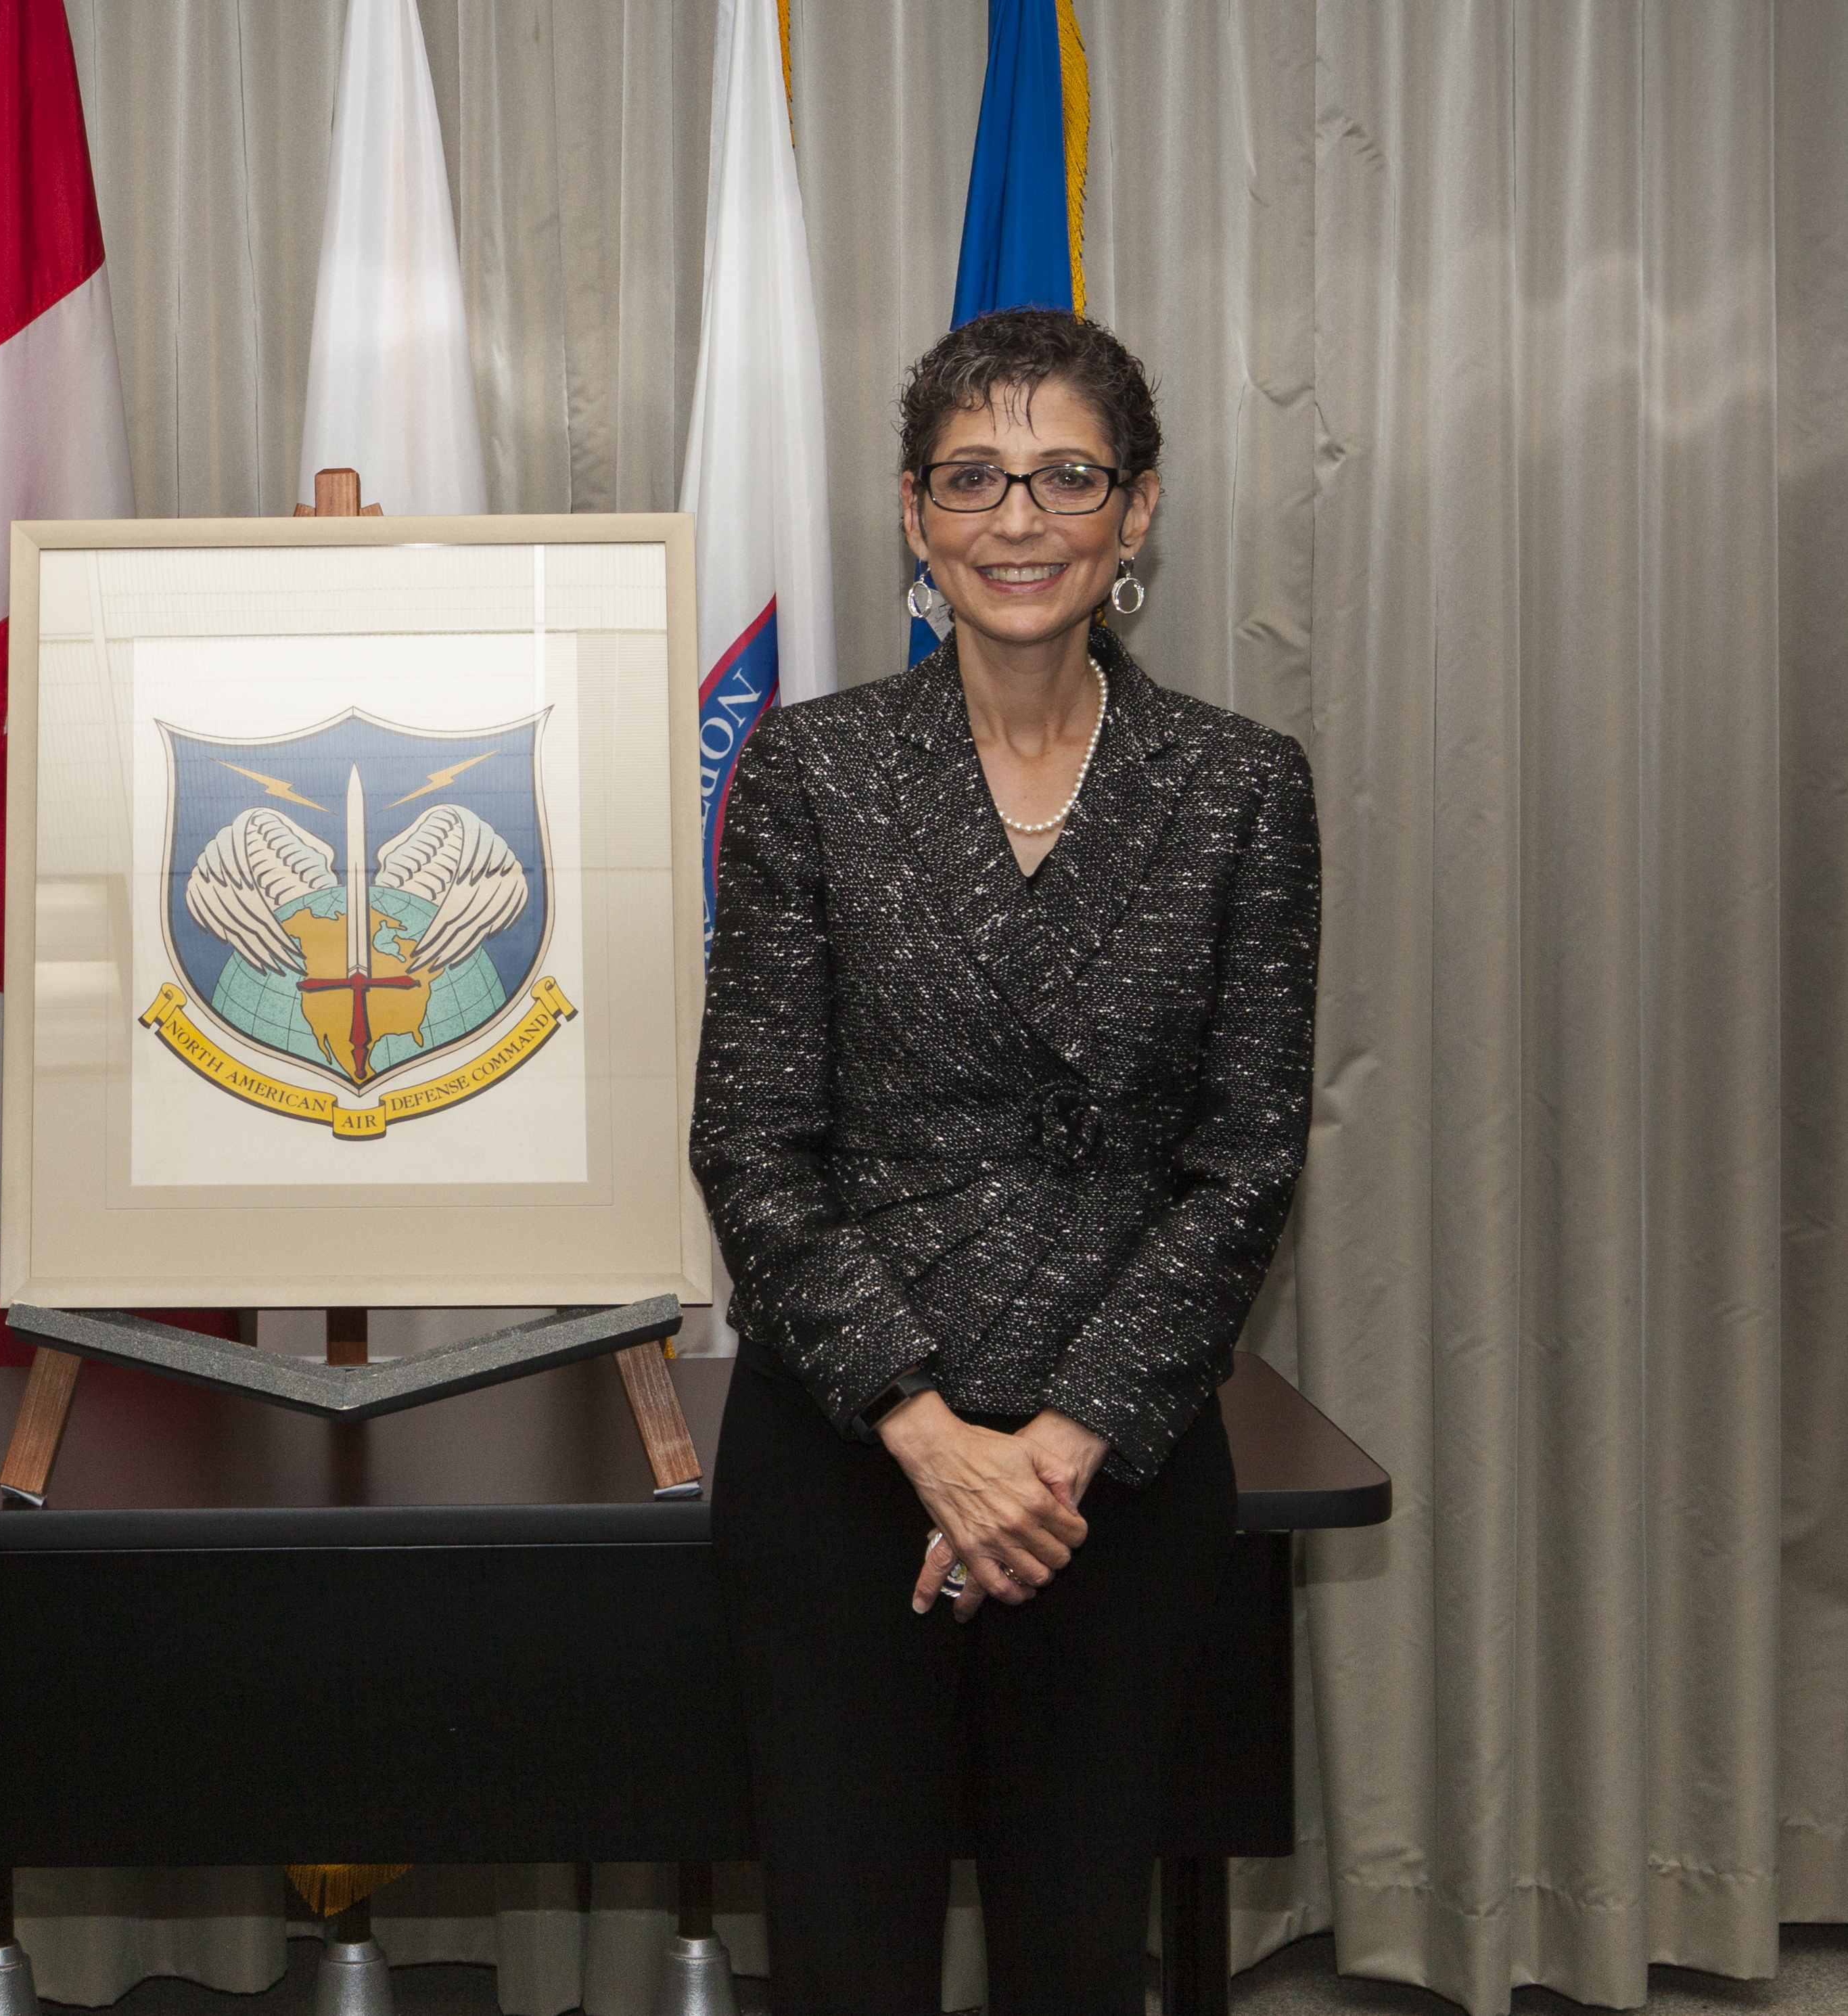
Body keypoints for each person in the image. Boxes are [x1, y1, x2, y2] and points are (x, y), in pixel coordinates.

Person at [689, 308, 1320, 2013]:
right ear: (914, 514)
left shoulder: (1240, 788)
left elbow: (1247, 1157)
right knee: (846, 1958)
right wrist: (923, 1429)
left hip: (1105, 1468)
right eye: (975, 476)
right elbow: (749, 1141)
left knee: (1074, 1958)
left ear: (1137, 511)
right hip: (845, 1445)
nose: (1019, 519)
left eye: (1066, 476)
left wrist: (1054, 1445)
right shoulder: (812, 768)